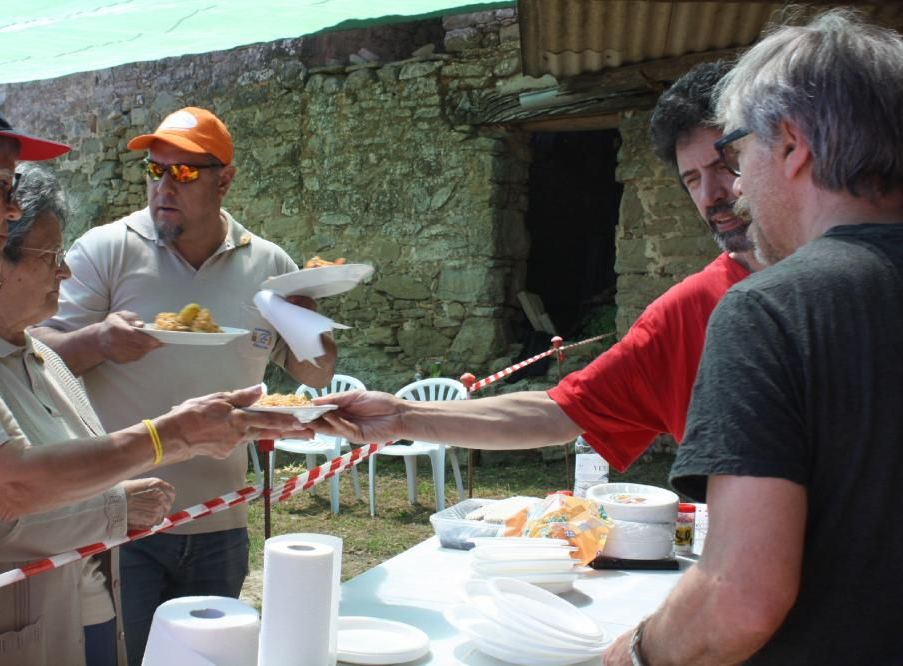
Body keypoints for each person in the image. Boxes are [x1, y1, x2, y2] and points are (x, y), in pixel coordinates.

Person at [0, 74, 304, 616]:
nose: (13, 211)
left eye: (183, 172)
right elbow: (3, 493)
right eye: (3, 186)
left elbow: (16, 467)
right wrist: (174, 437)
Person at [602, 10, 903, 664]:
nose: (734, 190)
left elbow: (737, 601)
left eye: (737, 155)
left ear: (792, 145)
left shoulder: (770, 310)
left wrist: (629, 654)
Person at [311, 62, 762, 470]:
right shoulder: (688, 311)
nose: (711, 195)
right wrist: (401, 416)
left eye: (725, 166)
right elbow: (558, 412)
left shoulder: (830, 285)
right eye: (692, 180)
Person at [33, 106, 337, 663]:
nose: (165, 186)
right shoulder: (105, 250)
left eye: (185, 173)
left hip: (219, 517)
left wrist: (309, 320)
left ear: (225, 179)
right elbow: (30, 360)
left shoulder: (269, 264)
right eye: (156, 171)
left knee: (207, 658)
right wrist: (96, 341)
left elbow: (314, 375)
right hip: (119, 519)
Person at [0, 164, 160, 666]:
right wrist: (118, 504)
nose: (64, 271)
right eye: (52, 255)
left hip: (74, 609)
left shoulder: (42, 357)